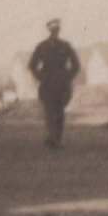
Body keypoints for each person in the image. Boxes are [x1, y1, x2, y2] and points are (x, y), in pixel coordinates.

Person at [26, 18, 81, 149]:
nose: (54, 33)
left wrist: (68, 77)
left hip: (60, 84)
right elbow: (32, 65)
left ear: (58, 31)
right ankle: (54, 137)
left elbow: (76, 65)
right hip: (49, 84)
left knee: (57, 111)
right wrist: (41, 77)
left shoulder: (65, 46)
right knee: (51, 110)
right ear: (50, 31)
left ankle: (56, 137)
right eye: (53, 31)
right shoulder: (42, 47)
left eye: (56, 30)